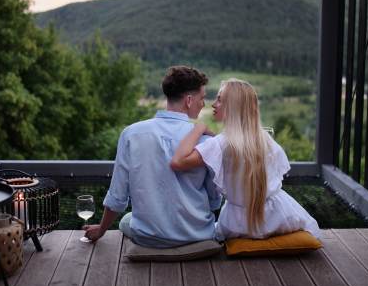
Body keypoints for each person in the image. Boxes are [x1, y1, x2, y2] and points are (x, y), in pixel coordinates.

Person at [82, 66, 222, 247]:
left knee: (128, 219)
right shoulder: (206, 140)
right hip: (198, 235)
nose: (203, 104)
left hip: (149, 238)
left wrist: (101, 229)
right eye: (202, 98)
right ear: (188, 100)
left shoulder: (131, 134)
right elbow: (213, 201)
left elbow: (117, 196)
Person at [170, 78, 320, 241]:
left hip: (238, 223)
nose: (213, 104)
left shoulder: (221, 144)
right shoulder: (265, 139)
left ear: (233, 106)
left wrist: (198, 127)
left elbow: (177, 162)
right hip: (279, 215)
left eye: (219, 100)